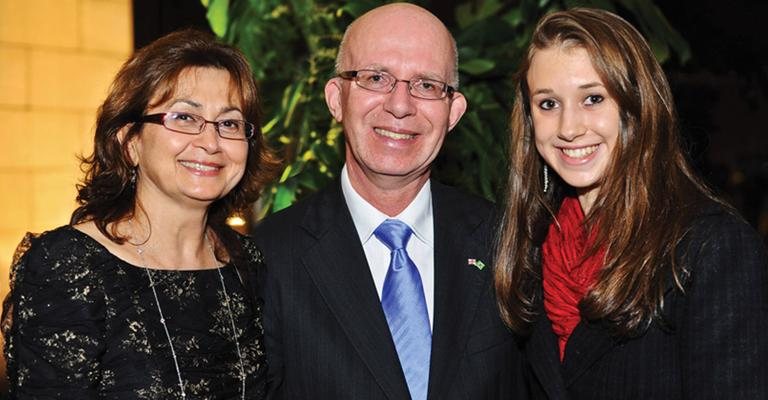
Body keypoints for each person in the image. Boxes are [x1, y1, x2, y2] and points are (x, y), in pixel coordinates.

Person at [253, 3, 525, 400]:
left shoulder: (506, 243)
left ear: (454, 112)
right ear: (336, 98)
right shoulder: (270, 257)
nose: (400, 105)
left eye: (427, 85)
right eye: (376, 77)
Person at [494, 7, 768, 399]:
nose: (569, 128)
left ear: (637, 108)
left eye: (592, 98)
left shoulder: (712, 249)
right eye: (548, 104)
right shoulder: (526, 249)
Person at [2, 29, 279, 399]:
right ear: (129, 141)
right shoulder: (69, 266)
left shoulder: (249, 263)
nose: (211, 142)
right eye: (184, 117)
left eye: (228, 123)